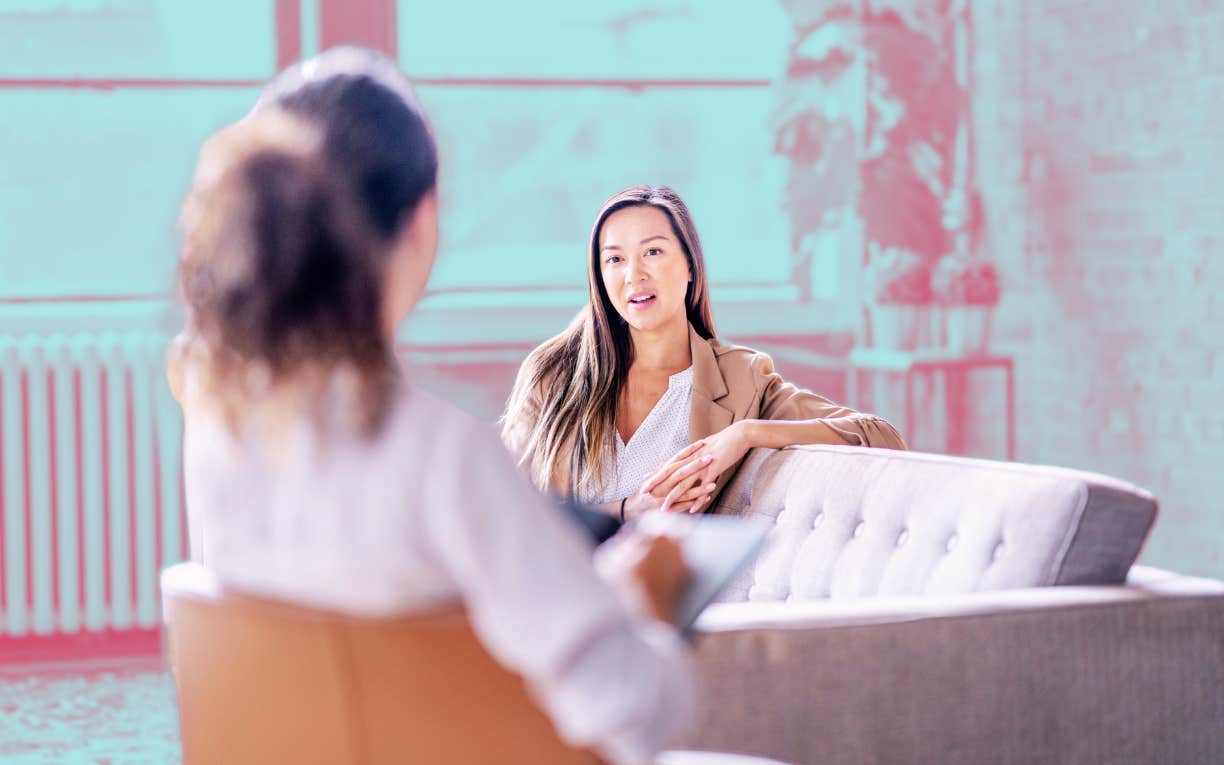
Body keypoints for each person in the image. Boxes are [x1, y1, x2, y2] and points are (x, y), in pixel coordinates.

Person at [170, 49, 693, 765]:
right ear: (419, 222)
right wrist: (642, 602)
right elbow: (633, 714)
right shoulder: (444, 457)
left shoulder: (219, 435)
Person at [501, 185, 906, 521]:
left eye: (653, 252)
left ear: (690, 264)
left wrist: (746, 433)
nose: (634, 274)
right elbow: (502, 509)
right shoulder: (553, 373)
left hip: (673, 604)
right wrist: (628, 511)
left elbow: (881, 436)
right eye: (615, 259)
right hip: (561, 595)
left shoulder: (741, 378)